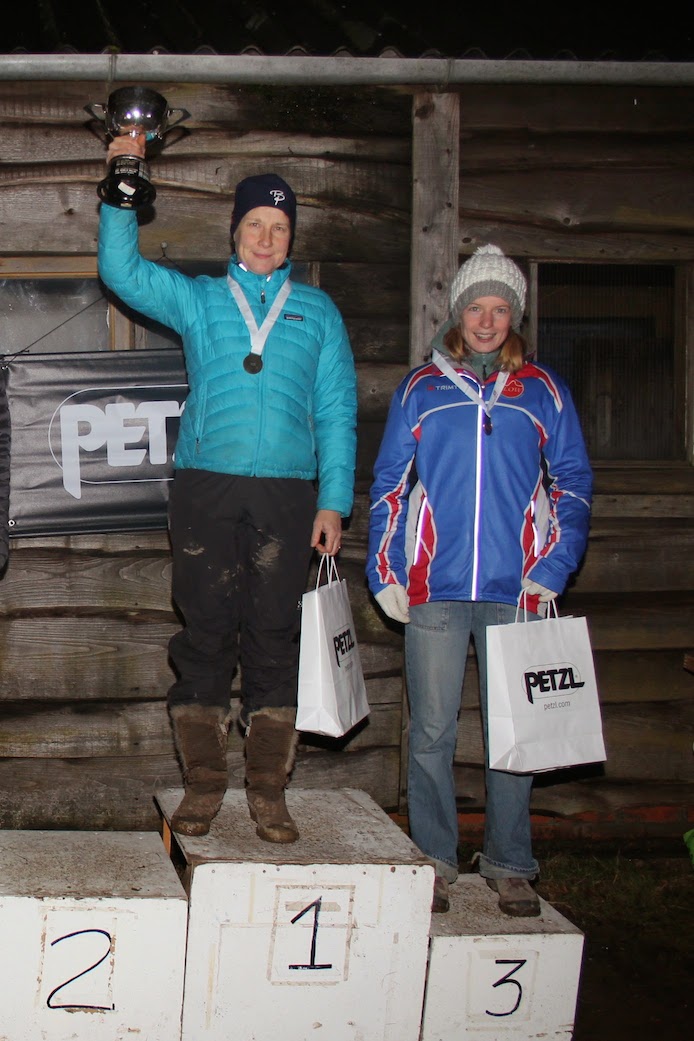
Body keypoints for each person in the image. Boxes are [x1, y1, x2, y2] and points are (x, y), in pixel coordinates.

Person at [98, 137, 357, 844]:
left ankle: (268, 791)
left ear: (290, 238)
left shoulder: (318, 312)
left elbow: (335, 410)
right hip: (207, 489)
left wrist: (334, 499)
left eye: (280, 228)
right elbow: (120, 270)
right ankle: (206, 786)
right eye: (255, 225)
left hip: (287, 494)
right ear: (235, 232)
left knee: (275, 636)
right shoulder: (201, 299)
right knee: (205, 632)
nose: (267, 237)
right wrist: (125, 184)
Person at [366, 244, 592, 915]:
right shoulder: (421, 389)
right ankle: (434, 856)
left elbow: (573, 483)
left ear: (513, 316)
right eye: (476, 306)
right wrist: (386, 570)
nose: (488, 319)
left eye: (501, 308)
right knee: (431, 731)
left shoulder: (544, 391)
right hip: (433, 590)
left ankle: (510, 861)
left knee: (512, 730)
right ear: (457, 314)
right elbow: (388, 486)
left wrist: (553, 565)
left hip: (517, 589)